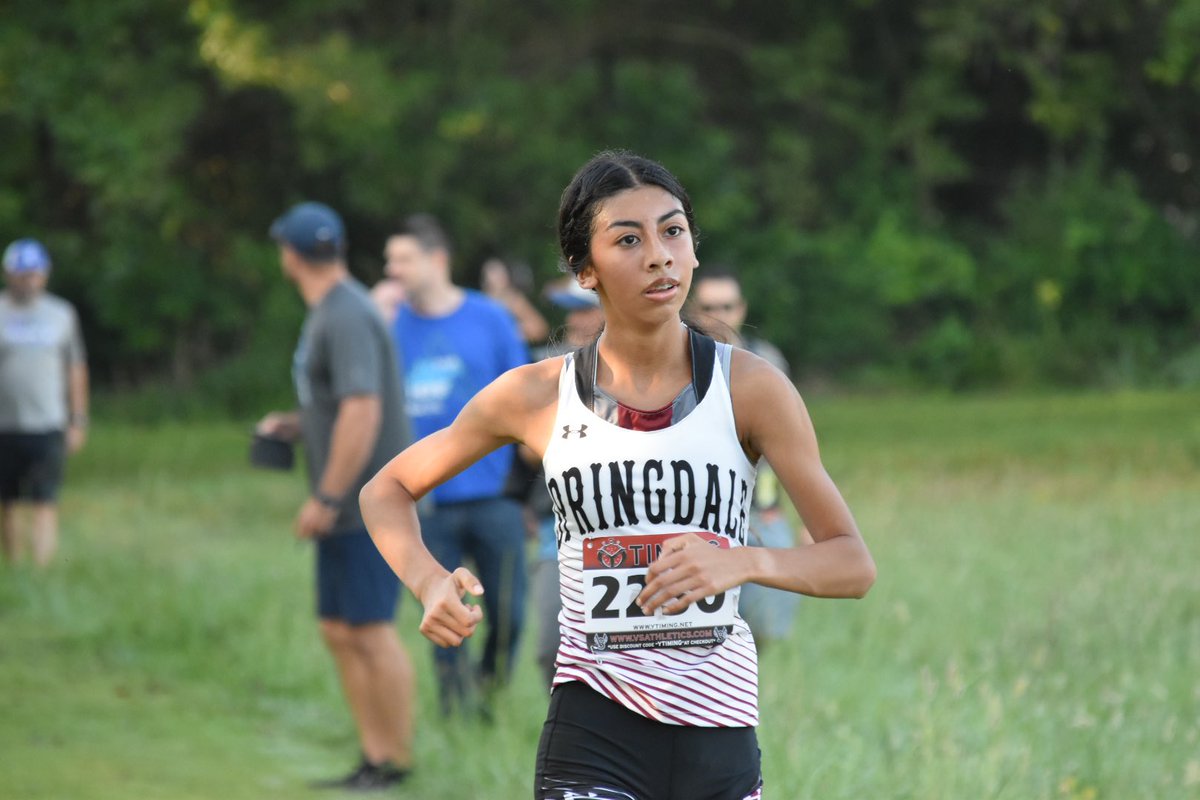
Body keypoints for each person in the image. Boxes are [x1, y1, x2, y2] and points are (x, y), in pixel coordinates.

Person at [360, 151, 876, 799]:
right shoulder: (536, 395)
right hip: (592, 732)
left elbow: (852, 565)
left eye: (673, 230)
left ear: (691, 250)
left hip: (718, 738)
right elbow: (386, 489)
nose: (658, 254)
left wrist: (743, 562)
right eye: (627, 240)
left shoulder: (752, 388)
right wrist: (429, 581)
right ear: (585, 271)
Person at [257, 202, 414, 790]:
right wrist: (296, 424)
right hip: (349, 504)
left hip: (366, 504)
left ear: (290, 256)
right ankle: (372, 756)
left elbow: (362, 408)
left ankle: (395, 763)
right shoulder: (333, 310)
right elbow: (339, 402)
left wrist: (326, 496)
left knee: (370, 629)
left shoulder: (345, 313)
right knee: (338, 628)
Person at [384, 213, 531, 716]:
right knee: (444, 612)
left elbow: (526, 395)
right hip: (427, 501)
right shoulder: (390, 325)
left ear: (437, 260)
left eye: (403, 258)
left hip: (496, 496)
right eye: (390, 260)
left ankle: (489, 694)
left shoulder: (489, 317)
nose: (393, 269)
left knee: (510, 613)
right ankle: (456, 715)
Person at [691, 264, 814, 651]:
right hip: (698, 513)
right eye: (710, 306)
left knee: (768, 621)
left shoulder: (767, 361)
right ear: (694, 308)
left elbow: (795, 446)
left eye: (727, 306)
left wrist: (809, 518)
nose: (719, 316)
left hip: (761, 509)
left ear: (741, 308)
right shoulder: (679, 359)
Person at [528, 278, 605, 687]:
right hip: (554, 527)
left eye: (584, 309)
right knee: (550, 648)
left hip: (621, 533)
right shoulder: (547, 370)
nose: (574, 320)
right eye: (570, 311)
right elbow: (525, 452)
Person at [0, 238, 88, 569]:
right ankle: (13, 565)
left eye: (35, 274)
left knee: (44, 499)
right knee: (7, 501)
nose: (29, 281)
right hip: (5, 424)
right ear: (9, 275)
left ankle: (42, 570)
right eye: (22, 275)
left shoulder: (61, 314)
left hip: (48, 422)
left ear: (46, 275)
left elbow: (76, 368)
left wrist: (78, 419)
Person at [481, 256, 550, 344]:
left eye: (501, 274)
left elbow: (540, 329)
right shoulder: (481, 303)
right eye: (494, 275)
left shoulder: (514, 300)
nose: (499, 279)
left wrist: (514, 331)